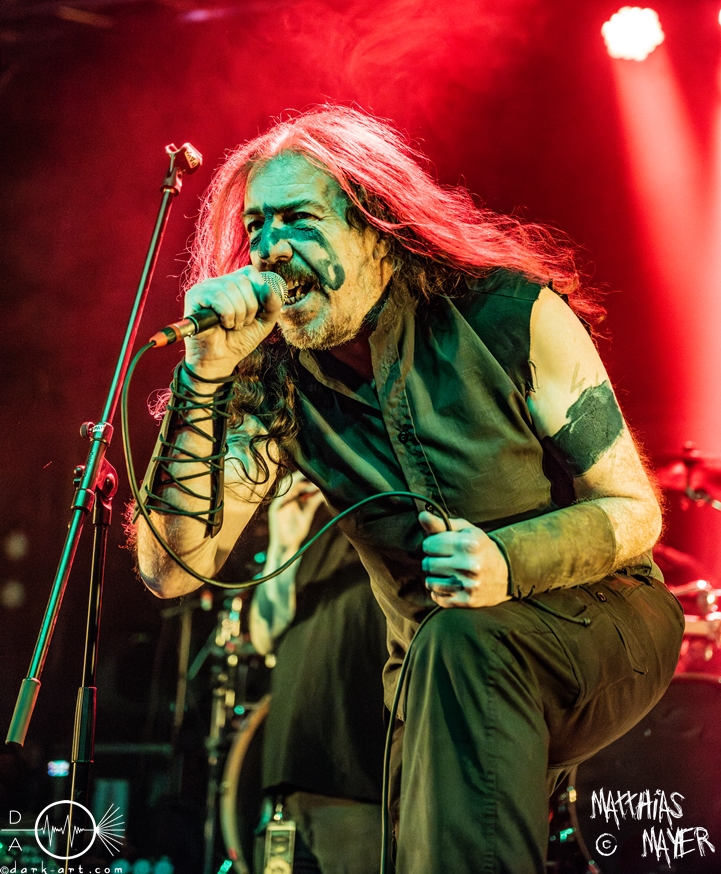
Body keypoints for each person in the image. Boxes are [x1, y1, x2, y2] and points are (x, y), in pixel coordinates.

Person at [136, 105, 684, 874]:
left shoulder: (509, 314)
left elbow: (632, 511)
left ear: (374, 225)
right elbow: (170, 569)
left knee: (459, 642)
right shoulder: (277, 381)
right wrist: (204, 377)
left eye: (297, 219)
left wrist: (507, 559)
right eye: (256, 226)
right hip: (442, 674)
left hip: (603, 625)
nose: (269, 249)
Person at [248, 472, 387, 874]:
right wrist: (283, 543)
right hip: (289, 775)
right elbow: (263, 635)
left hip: (357, 781)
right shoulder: (310, 517)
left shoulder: (386, 508)